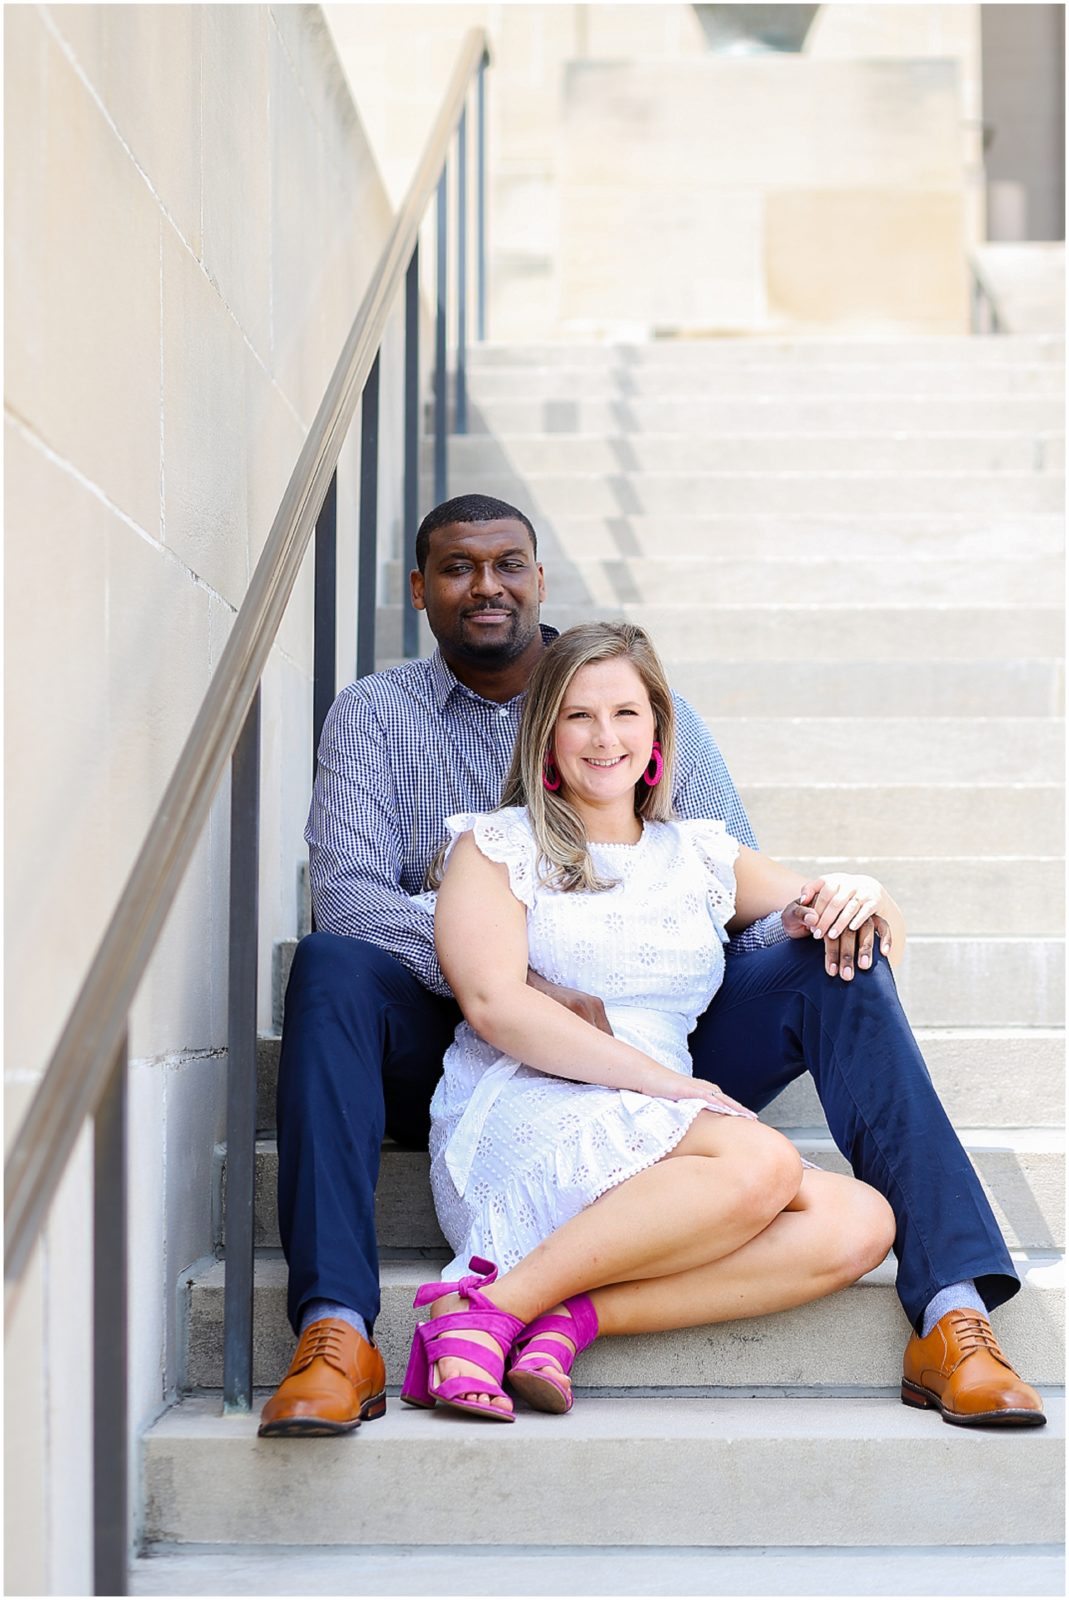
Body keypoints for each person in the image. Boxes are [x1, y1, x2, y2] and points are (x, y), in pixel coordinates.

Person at [259, 492, 1042, 1438]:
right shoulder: (381, 717)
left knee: (839, 964)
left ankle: (951, 1309)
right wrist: (510, 974)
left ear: (541, 579)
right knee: (333, 964)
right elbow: (348, 897)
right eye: (458, 568)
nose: (487, 586)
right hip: (469, 1028)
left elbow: (718, 896)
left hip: (647, 1029)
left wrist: (841, 905)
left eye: (508, 564)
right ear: (418, 589)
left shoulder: (650, 738)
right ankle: (338, 1330)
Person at [401, 620, 898, 1420]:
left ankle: (562, 1316)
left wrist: (862, 891)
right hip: (532, 1100)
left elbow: (871, 943)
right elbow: (494, 1004)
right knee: (761, 1164)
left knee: (860, 1221)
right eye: (578, 715)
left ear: (659, 729)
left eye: (626, 714)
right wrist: (673, 1088)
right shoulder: (494, 846)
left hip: (661, 1116)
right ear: (546, 735)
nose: (605, 738)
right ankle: (480, 1309)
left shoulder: (700, 855)